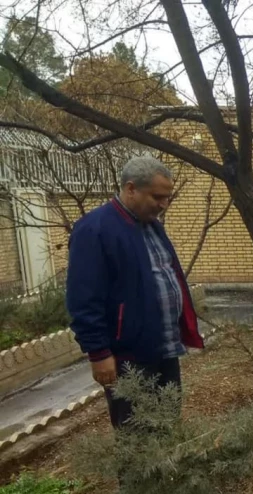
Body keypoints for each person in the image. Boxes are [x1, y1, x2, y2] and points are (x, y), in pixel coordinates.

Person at [66, 155, 204, 428]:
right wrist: (98, 353)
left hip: (164, 348)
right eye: (157, 197)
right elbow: (83, 299)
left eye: (167, 197)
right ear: (131, 189)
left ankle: (169, 474)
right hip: (127, 357)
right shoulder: (94, 230)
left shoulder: (152, 226)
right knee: (136, 436)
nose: (163, 204)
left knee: (167, 426)